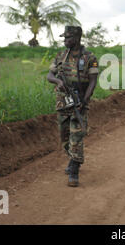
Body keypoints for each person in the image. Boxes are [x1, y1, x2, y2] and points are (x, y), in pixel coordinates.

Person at [47, 26, 99, 187]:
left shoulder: (89, 57)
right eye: (64, 38)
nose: (65, 41)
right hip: (63, 102)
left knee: (76, 136)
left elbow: (93, 80)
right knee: (65, 137)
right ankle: (72, 159)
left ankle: (74, 171)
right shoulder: (60, 56)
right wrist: (58, 81)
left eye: (68, 38)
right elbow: (49, 75)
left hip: (79, 102)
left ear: (77, 38)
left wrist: (85, 99)